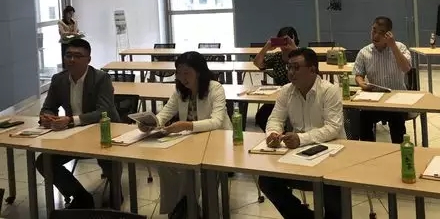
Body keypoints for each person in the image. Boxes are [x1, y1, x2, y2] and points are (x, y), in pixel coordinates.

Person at [139, 51, 232, 218]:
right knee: (165, 165)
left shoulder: (215, 88)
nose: (182, 78)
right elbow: (165, 113)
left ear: (199, 72)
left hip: (216, 139)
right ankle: (178, 208)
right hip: (190, 140)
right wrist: (151, 122)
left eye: (187, 73)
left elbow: (217, 121)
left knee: (196, 170)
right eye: (179, 73)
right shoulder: (180, 90)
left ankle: (193, 207)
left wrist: (187, 125)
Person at [258, 48, 344, 219]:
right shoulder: (286, 91)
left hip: (331, 153)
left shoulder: (330, 91)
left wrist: (300, 138)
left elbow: (333, 128)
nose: (291, 72)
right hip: (298, 155)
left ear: (312, 69)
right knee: (267, 181)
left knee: (332, 189)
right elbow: (275, 119)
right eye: (289, 67)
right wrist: (273, 133)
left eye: (296, 68)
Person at [36, 38, 121, 209]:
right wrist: (47, 117)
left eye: (77, 56)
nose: (72, 60)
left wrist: (70, 120)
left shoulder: (101, 78)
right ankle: (81, 197)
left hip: (103, 131)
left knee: (110, 160)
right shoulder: (59, 79)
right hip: (73, 135)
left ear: (88, 59)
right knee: (44, 161)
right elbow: (48, 107)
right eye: (68, 55)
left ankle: (116, 191)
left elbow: (103, 112)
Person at [353, 16, 412, 143]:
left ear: (388, 34)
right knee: (363, 118)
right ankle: (368, 150)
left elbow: (406, 68)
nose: (376, 35)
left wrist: (393, 46)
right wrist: (362, 84)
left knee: (397, 125)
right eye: (374, 30)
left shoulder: (400, 47)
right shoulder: (364, 52)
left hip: (396, 100)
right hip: (374, 99)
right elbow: (358, 74)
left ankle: (399, 150)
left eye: (381, 32)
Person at [252, 26, 299, 131]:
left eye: (287, 41)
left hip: (298, 95)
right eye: (281, 41)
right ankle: (277, 134)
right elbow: (257, 63)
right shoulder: (277, 57)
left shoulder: (301, 56)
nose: (285, 46)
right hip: (280, 97)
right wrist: (266, 47)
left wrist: (294, 48)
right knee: (261, 116)